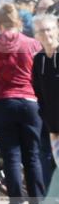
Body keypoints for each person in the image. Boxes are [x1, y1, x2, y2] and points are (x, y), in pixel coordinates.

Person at [0, 3, 45, 204]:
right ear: (18, 22)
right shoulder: (33, 44)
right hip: (30, 103)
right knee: (33, 156)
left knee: (11, 155)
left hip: (3, 103)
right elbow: (40, 74)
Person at [32, 13, 59, 192]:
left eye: (49, 29)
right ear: (36, 35)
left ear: (56, 30)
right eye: (41, 31)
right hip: (53, 127)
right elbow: (39, 94)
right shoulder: (38, 60)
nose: (46, 34)